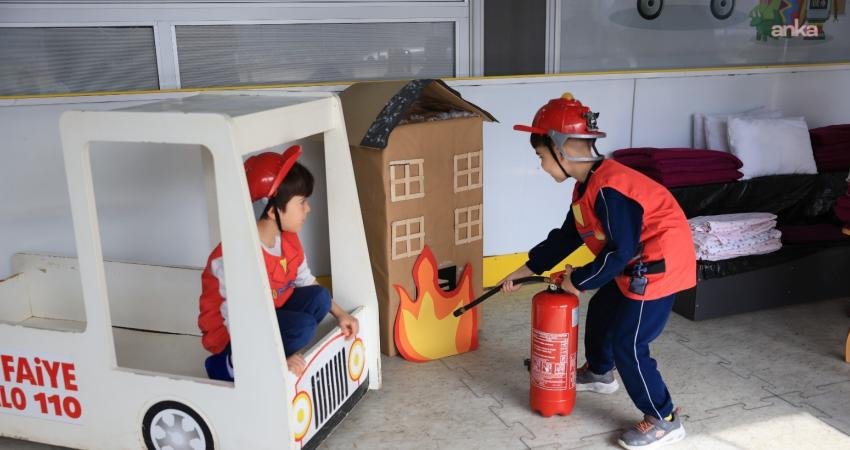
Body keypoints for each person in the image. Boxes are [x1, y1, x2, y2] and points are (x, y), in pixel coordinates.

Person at [502, 93, 696, 450]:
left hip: (656, 271)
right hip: (634, 264)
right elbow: (565, 238)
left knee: (630, 342)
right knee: (605, 306)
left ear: (561, 151)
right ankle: (599, 372)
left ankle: (664, 418)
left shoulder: (611, 189)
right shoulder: (586, 188)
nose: (542, 166)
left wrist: (580, 280)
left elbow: (619, 250)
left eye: (541, 157)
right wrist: (521, 271)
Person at [198, 145, 359, 380]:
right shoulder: (236, 255)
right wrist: (277, 357)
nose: (308, 209)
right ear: (272, 211)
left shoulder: (289, 239)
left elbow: (306, 281)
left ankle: (282, 351)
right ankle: (228, 365)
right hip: (235, 333)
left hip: (270, 312)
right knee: (302, 327)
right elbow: (236, 317)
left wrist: (341, 314)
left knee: (320, 298)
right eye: (301, 202)